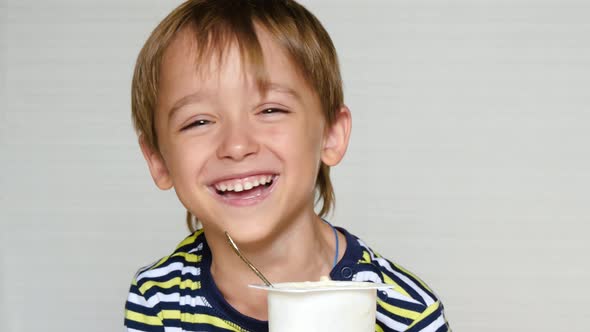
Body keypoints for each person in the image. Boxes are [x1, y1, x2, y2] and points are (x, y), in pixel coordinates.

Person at [124, 0, 450, 331]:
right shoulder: (158, 299)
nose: (237, 145)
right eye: (198, 121)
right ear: (158, 161)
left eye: (270, 110)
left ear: (331, 135)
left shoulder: (407, 315)